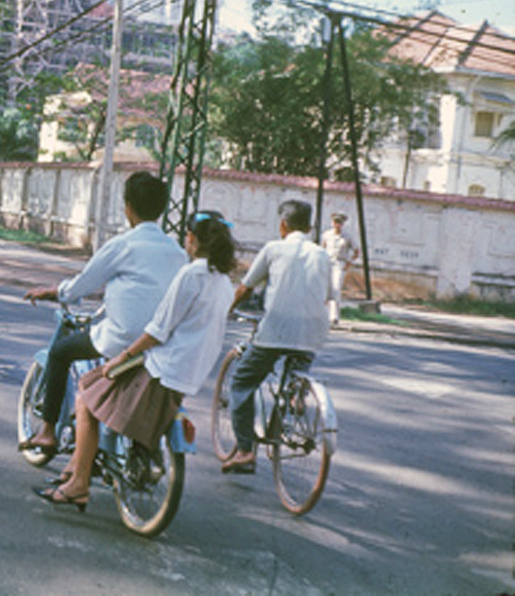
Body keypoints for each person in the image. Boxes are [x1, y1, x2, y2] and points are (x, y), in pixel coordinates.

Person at [35, 212, 237, 510]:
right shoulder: (224, 283)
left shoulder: (191, 274)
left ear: (191, 239)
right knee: (99, 390)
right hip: (190, 374)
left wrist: (123, 356)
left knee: (87, 395)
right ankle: (76, 467)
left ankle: (78, 485)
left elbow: (159, 328)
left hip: (160, 366)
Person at [19, 171, 188, 454]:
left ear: (128, 207)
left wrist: (56, 291)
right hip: (160, 342)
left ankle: (47, 432)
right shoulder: (177, 251)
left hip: (123, 339)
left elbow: (84, 283)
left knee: (60, 352)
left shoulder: (123, 244)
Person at [222, 199, 331, 474]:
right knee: (298, 364)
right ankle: (294, 395)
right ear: (309, 226)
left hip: (276, 330)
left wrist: (225, 311)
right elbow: (328, 295)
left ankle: (246, 451)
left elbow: (245, 288)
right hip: (312, 332)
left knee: (242, 382)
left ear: (283, 225)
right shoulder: (322, 255)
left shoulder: (273, 249)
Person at [322, 212, 359, 326]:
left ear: (342, 224)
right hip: (327, 262)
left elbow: (356, 251)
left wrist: (349, 262)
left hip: (339, 263)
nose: (337, 224)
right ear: (332, 222)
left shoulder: (347, 237)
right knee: (325, 289)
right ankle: (323, 315)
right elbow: (322, 249)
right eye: (335, 222)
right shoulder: (326, 235)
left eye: (340, 222)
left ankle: (334, 317)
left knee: (336, 288)